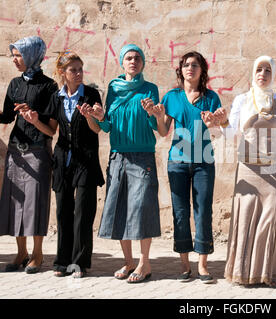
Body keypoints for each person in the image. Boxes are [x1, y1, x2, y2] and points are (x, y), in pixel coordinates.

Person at [21, 51, 105, 278]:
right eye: (73, 70)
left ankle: (80, 263)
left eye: (80, 69)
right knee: (63, 212)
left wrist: (90, 116)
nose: (78, 74)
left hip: (86, 160)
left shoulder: (91, 94)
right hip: (63, 160)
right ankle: (62, 262)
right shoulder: (56, 97)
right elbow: (51, 131)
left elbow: (97, 129)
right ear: (62, 73)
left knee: (83, 213)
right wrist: (36, 121)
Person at [220, 56, 276, 287]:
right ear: (253, 72)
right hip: (248, 166)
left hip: (273, 165)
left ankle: (268, 272)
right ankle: (244, 273)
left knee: (272, 214)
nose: (263, 73)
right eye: (259, 69)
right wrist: (222, 122)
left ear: (272, 74)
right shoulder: (242, 100)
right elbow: (230, 133)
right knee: (245, 217)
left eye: (267, 70)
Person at [91, 44, 165, 283]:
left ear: (143, 63)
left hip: (143, 157)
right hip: (118, 157)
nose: (133, 61)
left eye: (138, 58)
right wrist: (100, 117)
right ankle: (128, 261)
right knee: (120, 208)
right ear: (122, 62)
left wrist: (153, 113)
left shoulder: (150, 89)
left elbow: (157, 127)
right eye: (129, 58)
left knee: (142, 208)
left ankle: (145, 263)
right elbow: (108, 125)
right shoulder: (113, 88)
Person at [155, 51, 222, 284]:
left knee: (203, 211)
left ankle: (203, 265)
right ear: (180, 70)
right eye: (186, 65)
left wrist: (214, 123)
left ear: (202, 70)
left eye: (195, 65)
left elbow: (217, 132)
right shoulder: (171, 97)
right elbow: (164, 131)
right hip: (178, 160)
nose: (190, 68)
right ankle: (184, 265)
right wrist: (158, 116)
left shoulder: (211, 98)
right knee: (180, 212)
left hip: (204, 160)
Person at [0, 36, 58, 274]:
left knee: (36, 203)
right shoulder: (14, 84)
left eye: (19, 55)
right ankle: (21, 253)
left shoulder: (49, 86)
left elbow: (52, 129)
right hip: (15, 151)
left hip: (38, 150)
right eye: (13, 55)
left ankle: (37, 254)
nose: (15, 60)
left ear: (33, 55)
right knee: (16, 202)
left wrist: (34, 117)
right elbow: (6, 117)